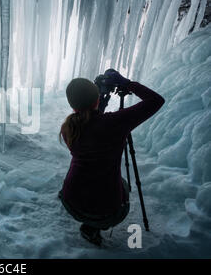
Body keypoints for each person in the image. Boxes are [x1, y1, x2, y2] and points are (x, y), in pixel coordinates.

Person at [58, 69, 165, 246]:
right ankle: (94, 227)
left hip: (70, 202)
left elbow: (91, 126)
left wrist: (99, 102)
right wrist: (127, 83)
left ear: (72, 105)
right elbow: (156, 101)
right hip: (107, 213)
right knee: (123, 184)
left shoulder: (68, 127)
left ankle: (88, 223)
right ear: (97, 99)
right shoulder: (116, 123)